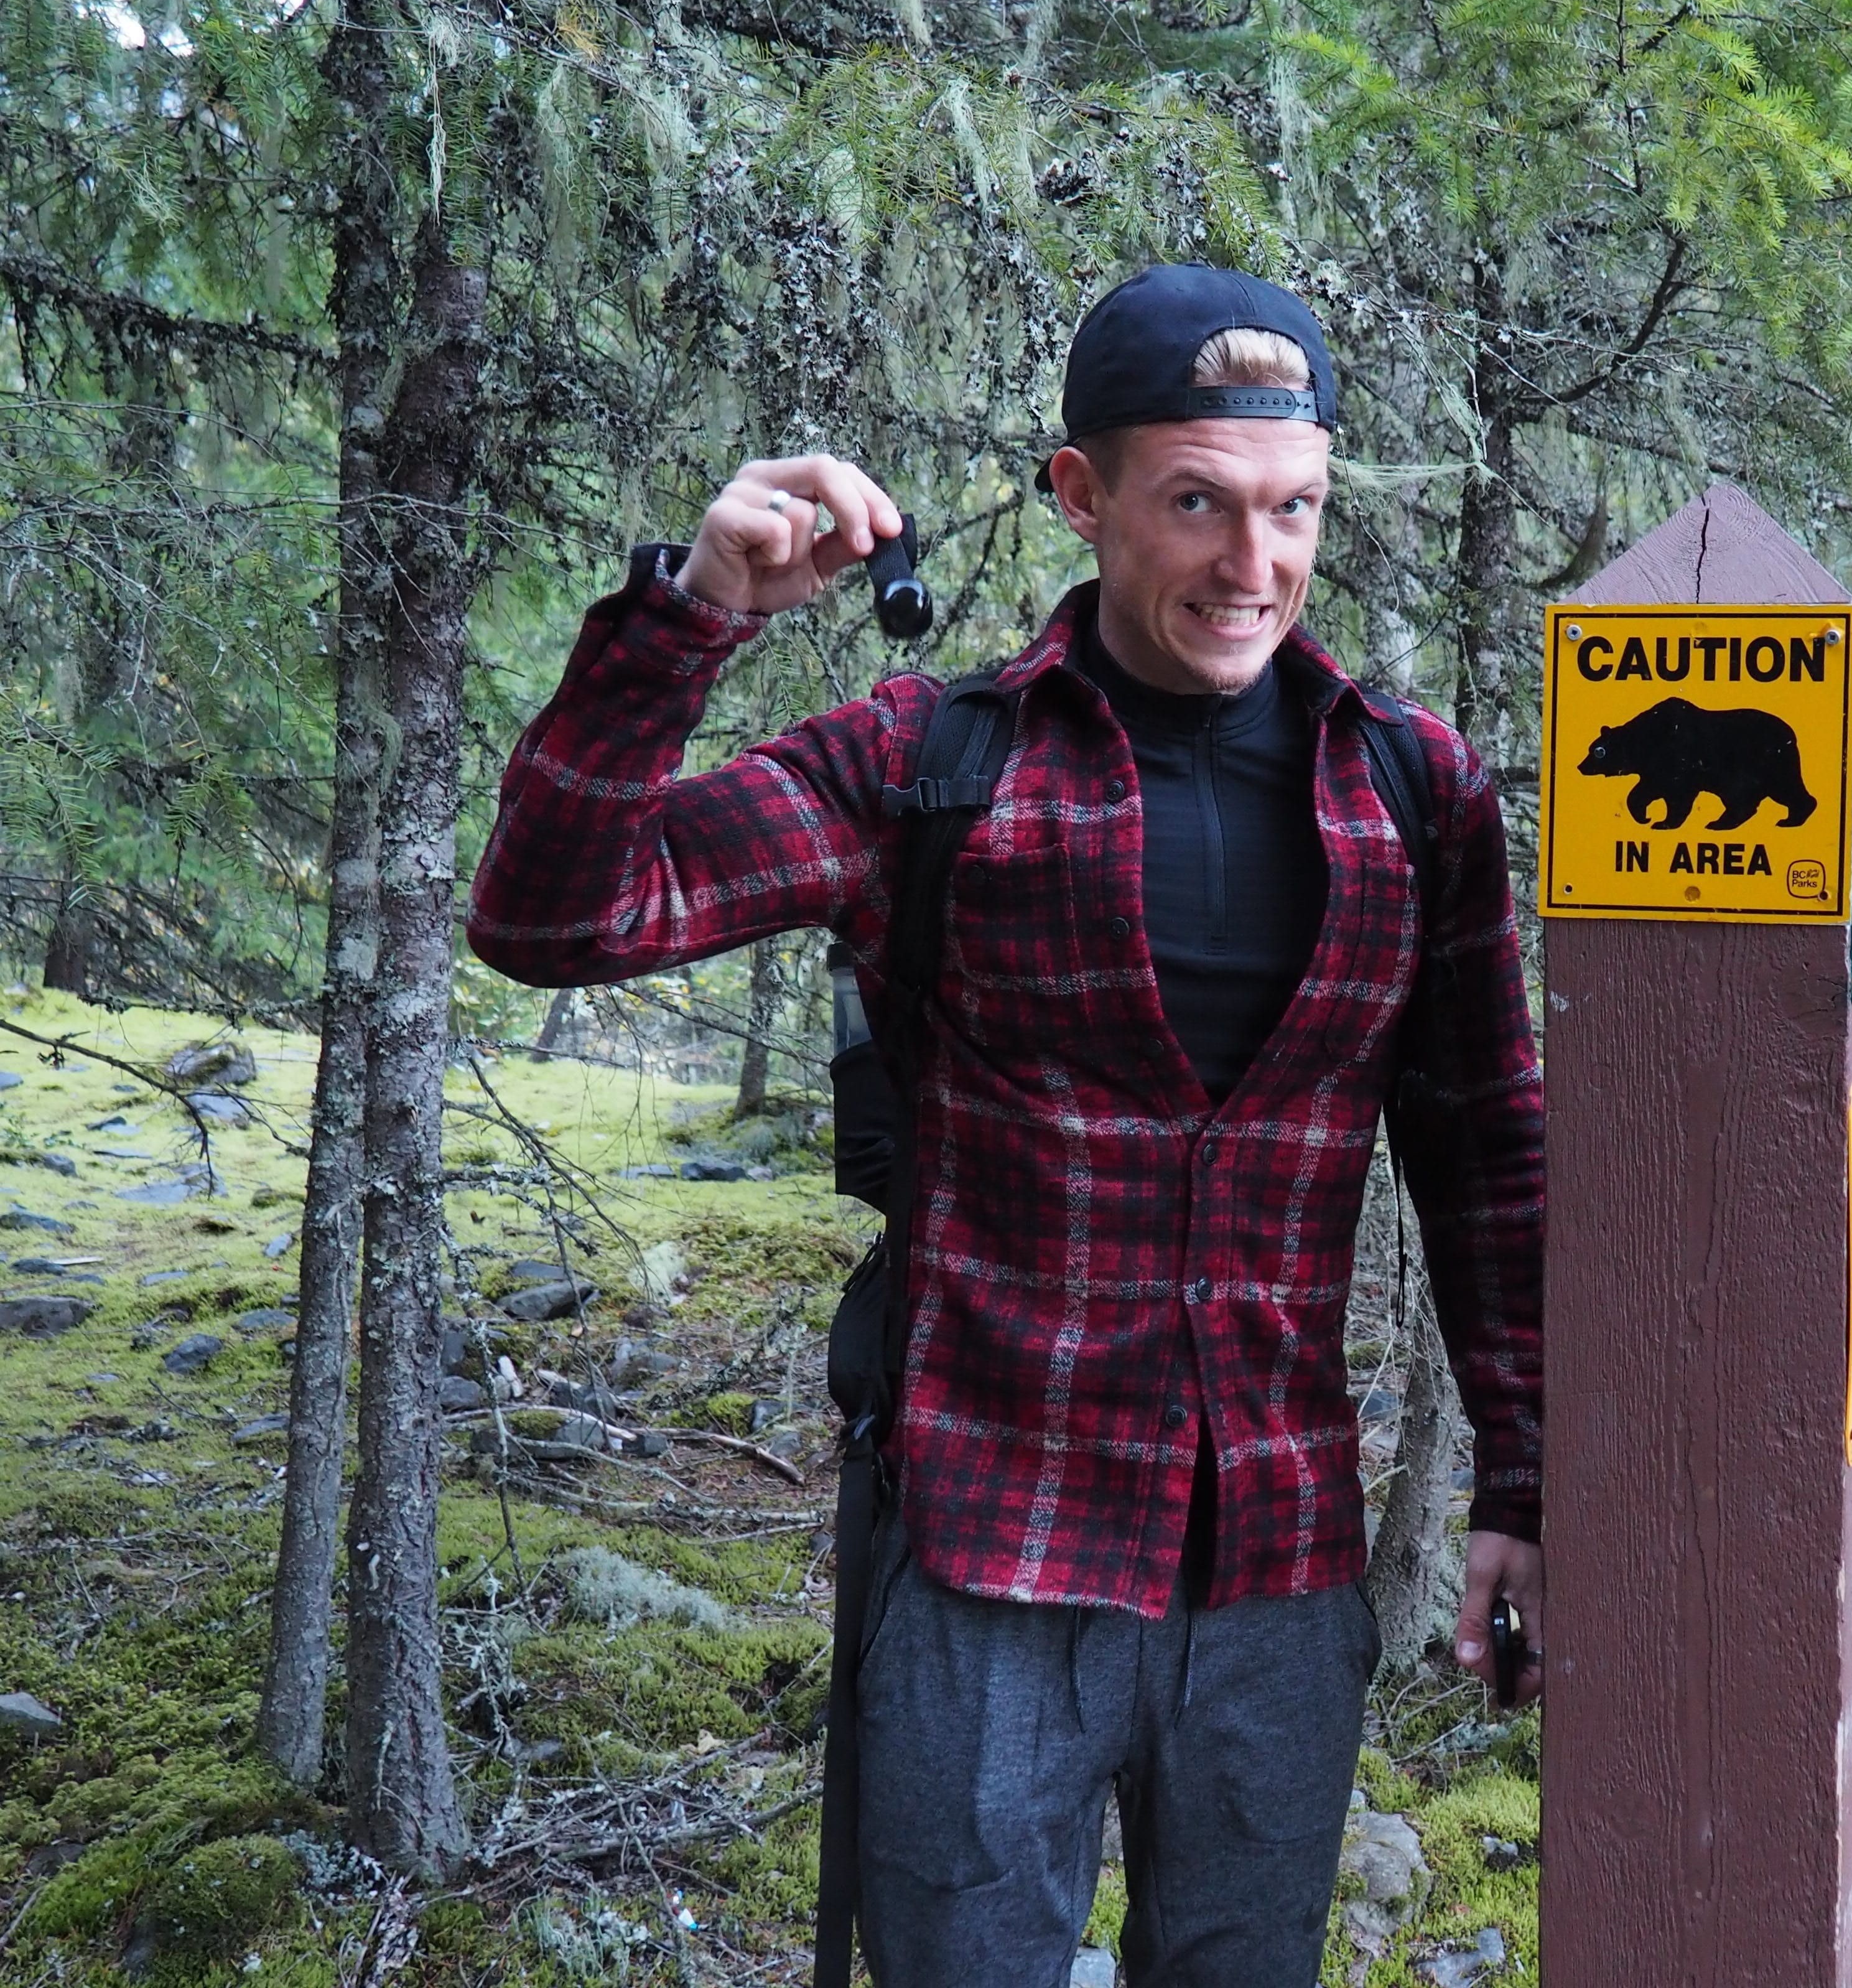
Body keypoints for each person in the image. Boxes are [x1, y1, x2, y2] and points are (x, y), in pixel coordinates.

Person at [467, 264, 1545, 1988]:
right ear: (1081, 492)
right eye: (1195, 501)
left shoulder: (1413, 792)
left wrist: (1527, 1478)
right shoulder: (936, 768)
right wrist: (694, 613)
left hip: (1275, 1569)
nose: (1250, 566)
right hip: (987, 1562)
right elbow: (554, 915)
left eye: (1292, 511)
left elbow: (1490, 1154)